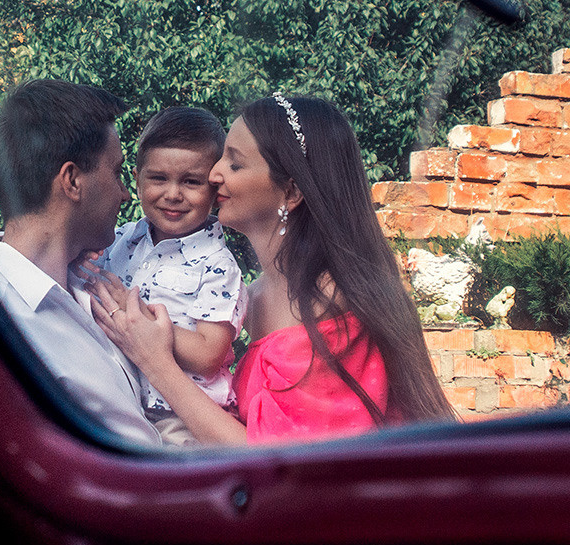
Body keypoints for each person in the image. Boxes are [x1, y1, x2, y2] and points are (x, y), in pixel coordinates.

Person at [93, 92, 452, 444]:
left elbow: (284, 463)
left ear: (291, 192)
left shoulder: (325, 303)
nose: (213, 174)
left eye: (234, 164)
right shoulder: (257, 294)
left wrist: (156, 362)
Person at [0, 80, 177, 447]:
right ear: (72, 181)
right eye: (116, 172)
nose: (126, 194)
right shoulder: (2, 330)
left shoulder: (97, 280)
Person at [91, 106, 241, 415]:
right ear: (137, 180)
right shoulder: (119, 240)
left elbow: (207, 355)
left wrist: (135, 311)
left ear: (214, 189)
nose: (172, 194)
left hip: (182, 415)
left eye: (191, 182)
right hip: (121, 402)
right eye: (159, 178)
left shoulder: (217, 265)